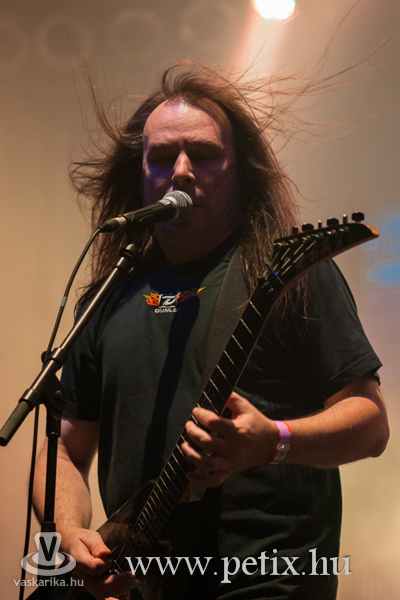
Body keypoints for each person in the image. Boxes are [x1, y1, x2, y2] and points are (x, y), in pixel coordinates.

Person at [33, 62, 389, 600]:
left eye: (202, 155)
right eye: (161, 157)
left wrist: (274, 442)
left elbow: (370, 424)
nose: (180, 171)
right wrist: (68, 531)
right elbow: (63, 449)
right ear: (140, 173)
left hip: (264, 580)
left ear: (239, 171)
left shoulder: (288, 274)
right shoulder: (109, 298)